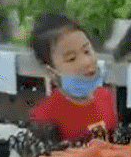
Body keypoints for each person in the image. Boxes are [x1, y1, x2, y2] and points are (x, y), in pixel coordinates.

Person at [30, 13, 117, 142]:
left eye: (87, 51)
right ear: (52, 72)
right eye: (71, 59)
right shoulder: (44, 115)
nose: (86, 62)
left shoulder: (105, 96)